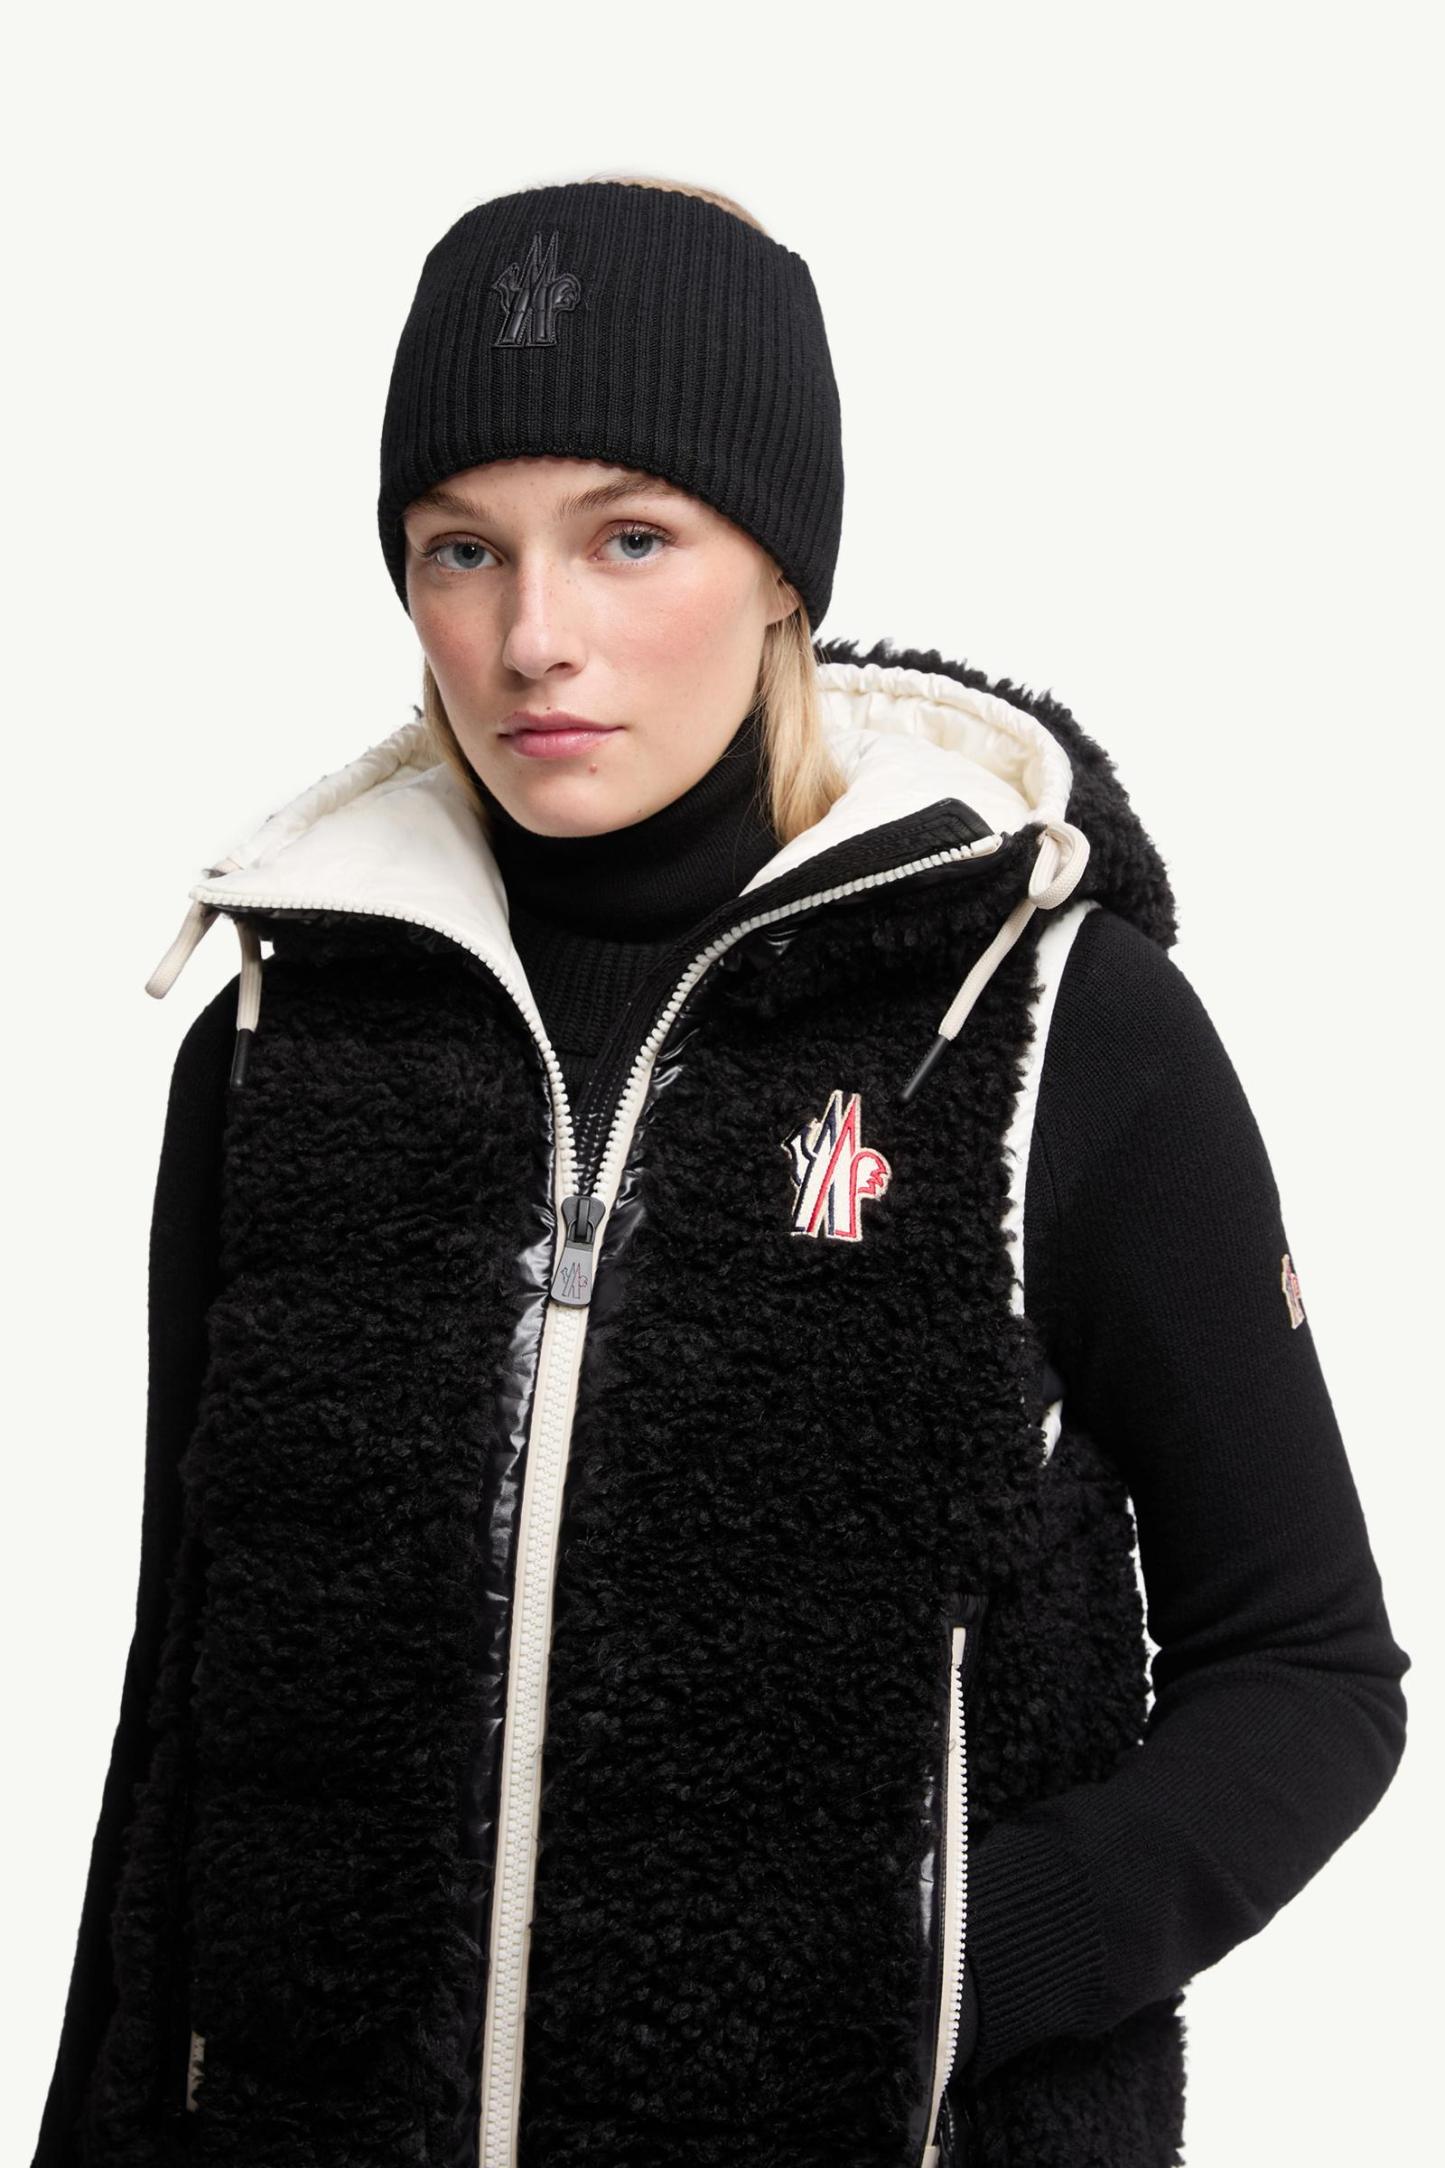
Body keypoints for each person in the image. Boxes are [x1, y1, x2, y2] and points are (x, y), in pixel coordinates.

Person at [31, 173, 1409, 2168]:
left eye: (630, 537)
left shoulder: (1047, 1026)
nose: (533, 637)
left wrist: (950, 1976)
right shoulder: (281, 1042)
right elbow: (182, 1706)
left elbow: (1309, 1670)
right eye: (461, 549)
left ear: (779, 570)